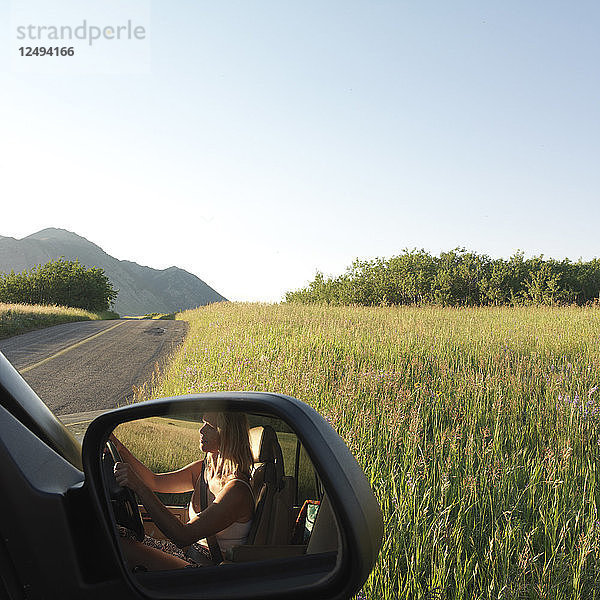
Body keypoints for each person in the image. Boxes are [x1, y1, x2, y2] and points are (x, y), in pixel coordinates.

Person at [111, 412, 255, 570]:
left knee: (122, 547)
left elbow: (182, 536)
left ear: (228, 434)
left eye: (210, 427)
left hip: (210, 571)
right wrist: (119, 448)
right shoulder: (203, 470)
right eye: (203, 423)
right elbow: (154, 481)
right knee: (116, 534)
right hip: (189, 554)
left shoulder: (237, 490)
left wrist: (138, 486)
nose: (201, 430)